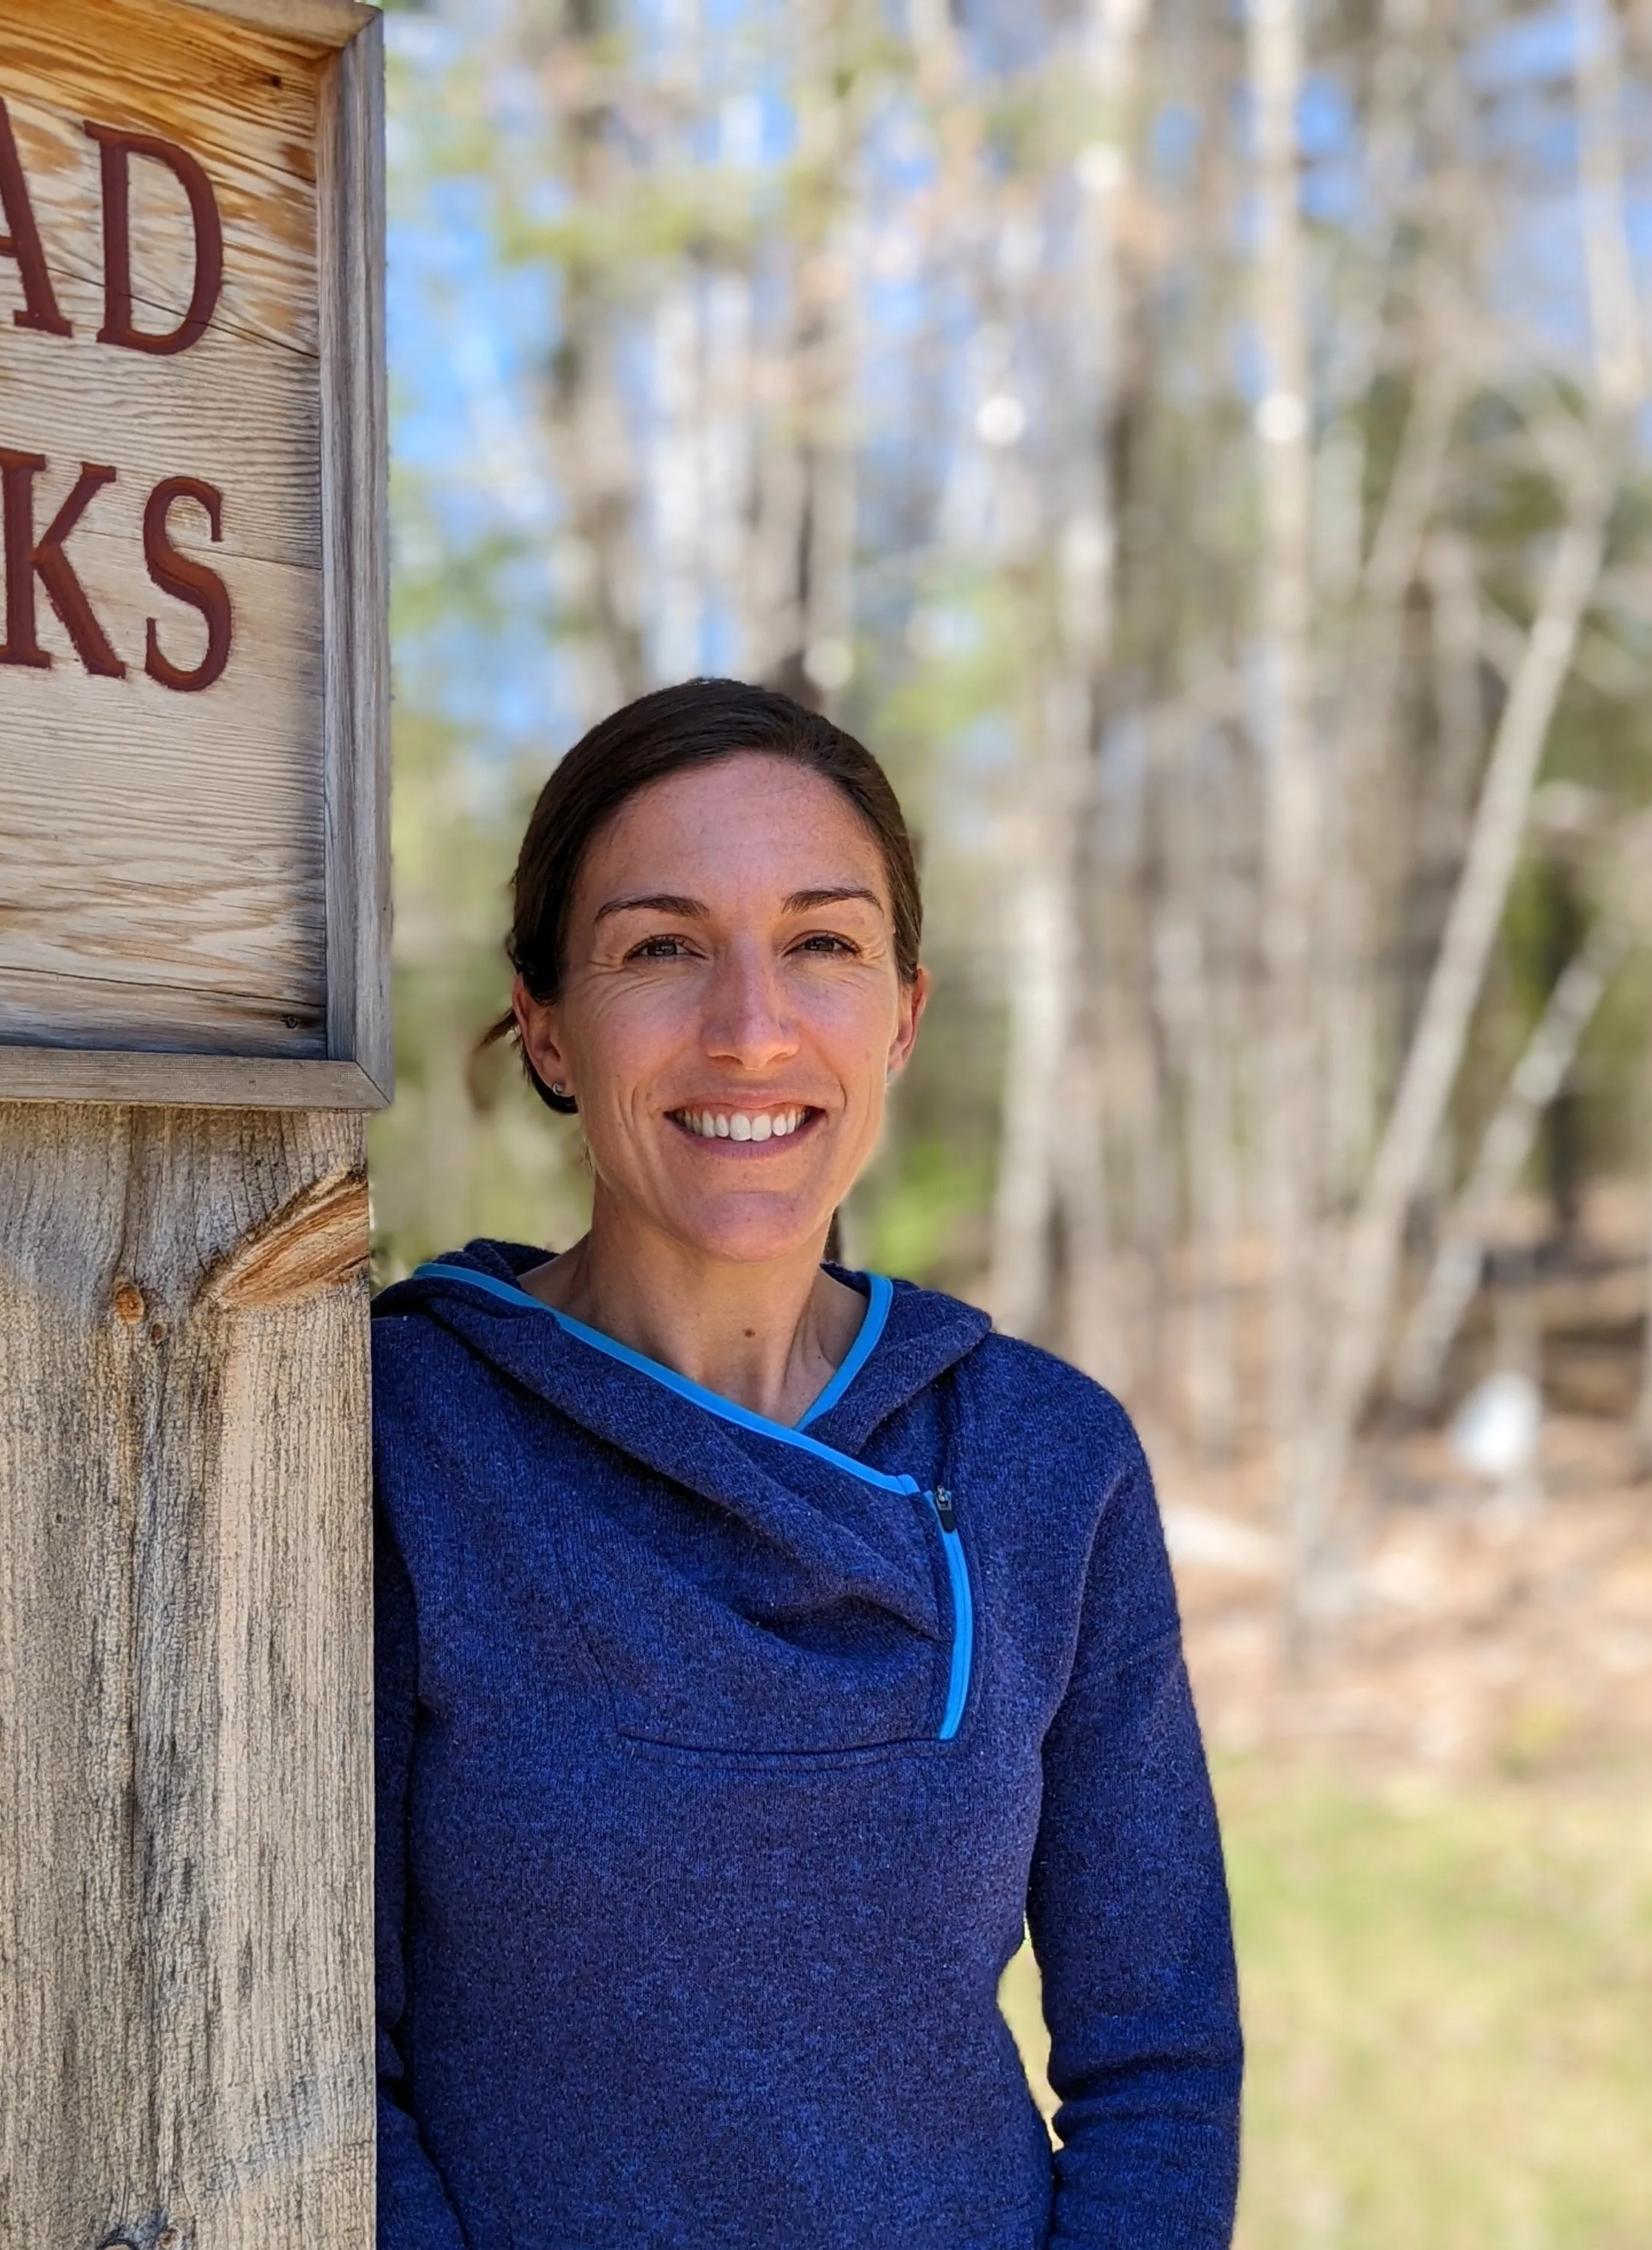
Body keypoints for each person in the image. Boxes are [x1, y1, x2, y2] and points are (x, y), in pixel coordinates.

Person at [372, 679, 1241, 2250]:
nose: (752, 1028)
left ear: (902, 1018)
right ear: (551, 1030)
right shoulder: (401, 1435)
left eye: (823, 944)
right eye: (663, 947)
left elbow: (1159, 2064)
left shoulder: (1051, 1461)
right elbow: (318, 2061)